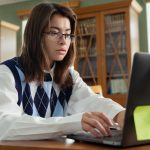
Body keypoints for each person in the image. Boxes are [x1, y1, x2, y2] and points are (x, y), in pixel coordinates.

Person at [0, 2, 125, 141]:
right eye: (54, 32)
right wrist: (72, 123)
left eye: (67, 34)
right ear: (35, 35)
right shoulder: (7, 73)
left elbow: (91, 100)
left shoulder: (69, 75)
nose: (63, 41)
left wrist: (120, 114)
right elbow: (5, 126)